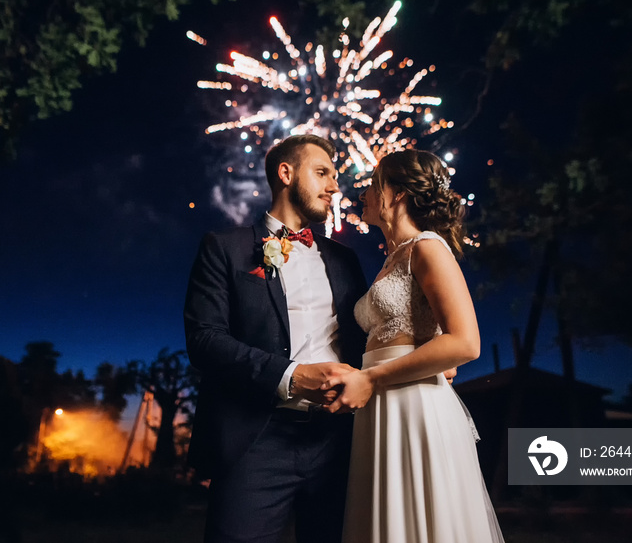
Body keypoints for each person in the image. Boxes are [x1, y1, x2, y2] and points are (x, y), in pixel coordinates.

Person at [183, 134, 368, 543]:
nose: (335, 186)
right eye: (322, 173)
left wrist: (425, 355)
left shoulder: (346, 261)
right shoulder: (224, 248)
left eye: (334, 176)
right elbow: (204, 339)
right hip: (255, 439)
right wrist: (292, 376)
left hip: (337, 442)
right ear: (286, 173)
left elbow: (371, 336)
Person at [322, 149, 506, 542]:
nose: (365, 195)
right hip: (378, 405)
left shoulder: (427, 247)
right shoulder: (391, 261)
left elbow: (466, 342)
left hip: (414, 404)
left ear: (397, 194)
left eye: (374, 186)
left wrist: (372, 377)